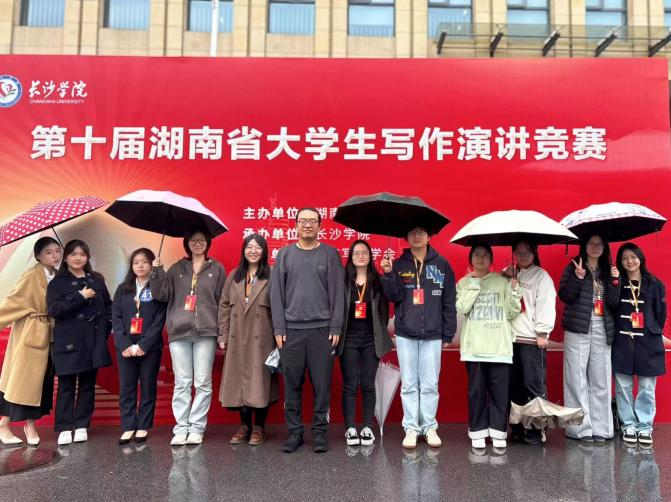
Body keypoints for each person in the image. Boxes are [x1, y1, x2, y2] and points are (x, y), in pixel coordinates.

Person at [271, 208, 345, 454]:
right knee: (292, 385)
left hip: (322, 331)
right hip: (290, 331)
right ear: (295, 225)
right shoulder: (285, 254)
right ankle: (295, 432)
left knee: (322, 386)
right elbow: (276, 294)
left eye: (312, 221)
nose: (307, 225)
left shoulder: (330, 254)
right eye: (303, 221)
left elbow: (338, 293)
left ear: (320, 226)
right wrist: (279, 327)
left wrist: (335, 325)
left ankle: (320, 432)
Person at [380, 226, 456, 449]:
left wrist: (448, 332)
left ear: (429, 236)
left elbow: (449, 300)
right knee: (409, 384)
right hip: (406, 333)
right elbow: (393, 296)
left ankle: (429, 426)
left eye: (421, 232)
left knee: (430, 383)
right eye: (412, 232)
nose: (417, 236)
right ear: (406, 237)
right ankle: (411, 428)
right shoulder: (399, 264)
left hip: (433, 333)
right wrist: (388, 274)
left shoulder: (442, 265)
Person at [151, 227, 226, 446]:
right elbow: (161, 294)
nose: (198, 244)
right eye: (194, 240)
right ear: (187, 243)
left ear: (208, 243)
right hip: (179, 331)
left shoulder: (217, 268)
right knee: (182, 382)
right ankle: (181, 427)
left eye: (202, 240)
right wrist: (157, 271)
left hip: (206, 332)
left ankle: (197, 428)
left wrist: (222, 332)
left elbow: (223, 302)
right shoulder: (176, 268)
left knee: (202, 382)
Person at [47, 239, 112, 446]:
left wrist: (104, 332)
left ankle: (82, 424)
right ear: (65, 258)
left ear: (87, 257)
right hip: (68, 342)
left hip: (93, 342)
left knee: (87, 386)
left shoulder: (96, 280)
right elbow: (54, 310)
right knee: (66, 386)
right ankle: (65, 427)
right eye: (73, 254)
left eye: (82, 254)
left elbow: (108, 308)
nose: (78, 258)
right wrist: (80, 296)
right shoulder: (57, 283)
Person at [456, 243, 521, 451]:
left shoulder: (502, 281)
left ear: (491, 259)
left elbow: (512, 312)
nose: (481, 259)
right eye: (477, 255)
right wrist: (474, 284)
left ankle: (498, 432)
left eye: (485, 255)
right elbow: (462, 307)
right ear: (470, 259)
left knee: (499, 394)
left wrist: (514, 291)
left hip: (499, 348)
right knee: (476, 393)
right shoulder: (464, 283)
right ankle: (478, 431)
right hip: (474, 348)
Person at [0, 237, 62, 446]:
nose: (54, 255)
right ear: (38, 256)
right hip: (32, 332)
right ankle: (5, 424)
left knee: (41, 382)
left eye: (57, 251)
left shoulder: (58, 276)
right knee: (22, 381)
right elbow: (13, 301)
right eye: (48, 252)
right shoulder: (31, 276)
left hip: (51, 334)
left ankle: (29, 425)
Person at [218, 234, 278, 446]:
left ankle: (259, 427)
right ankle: (244, 426)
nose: (253, 251)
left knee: (259, 382)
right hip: (236, 338)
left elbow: (279, 307)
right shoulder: (234, 276)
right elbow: (224, 306)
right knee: (239, 382)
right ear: (243, 250)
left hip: (262, 339)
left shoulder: (272, 275)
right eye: (249, 247)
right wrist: (223, 335)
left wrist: (280, 337)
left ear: (264, 251)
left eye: (258, 247)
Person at [559, 234, 619, 442]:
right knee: (575, 378)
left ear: (605, 247)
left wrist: (615, 281)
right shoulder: (573, 267)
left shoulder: (609, 270)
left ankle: (602, 428)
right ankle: (579, 429)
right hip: (578, 326)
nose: (595, 247)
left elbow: (614, 303)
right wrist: (578, 277)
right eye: (591, 243)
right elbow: (565, 296)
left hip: (602, 325)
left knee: (601, 377)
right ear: (584, 246)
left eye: (599, 244)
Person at [338, 240, 392, 447]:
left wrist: (379, 332)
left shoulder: (377, 281)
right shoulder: (343, 280)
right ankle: (350, 427)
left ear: (370, 256)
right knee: (350, 384)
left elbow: (384, 312)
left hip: (371, 339)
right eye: (356, 253)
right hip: (348, 339)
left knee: (369, 384)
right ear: (351, 256)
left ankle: (367, 426)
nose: (360, 256)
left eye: (364, 253)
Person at [112, 248, 167, 445]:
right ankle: (128, 426)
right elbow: (116, 317)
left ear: (152, 264)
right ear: (131, 266)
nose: (140, 266)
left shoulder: (157, 288)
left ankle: (143, 425)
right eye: (136, 262)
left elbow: (160, 319)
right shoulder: (123, 288)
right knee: (126, 387)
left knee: (148, 386)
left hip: (149, 347)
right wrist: (125, 344)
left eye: (144, 262)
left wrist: (144, 344)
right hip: (126, 348)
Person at [613, 242, 666, 446]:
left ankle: (644, 426)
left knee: (647, 387)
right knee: (623, 387)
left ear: (640, 258)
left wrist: (651, 330)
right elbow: (611, 307)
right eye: (625, 258)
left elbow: (661, 314)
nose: (630, 261)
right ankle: (628, 424)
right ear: (620, 261)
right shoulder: (616, 283)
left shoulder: (655, 283)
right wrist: (614, 281)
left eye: (633, 257)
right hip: (622, 341)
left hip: (648, 342)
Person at [504, 240, 557, 445]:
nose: (523, 256)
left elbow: (546, 304)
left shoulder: (541, 276)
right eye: (518, 252)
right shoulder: (510, 274)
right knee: (514, 386)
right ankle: (517, 428)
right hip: (509, 339)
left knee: (532, 385)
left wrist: (542, 332)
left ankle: (536, 429)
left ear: (534, 253)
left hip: (532, 340)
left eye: (527, 252)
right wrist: (505, 276)